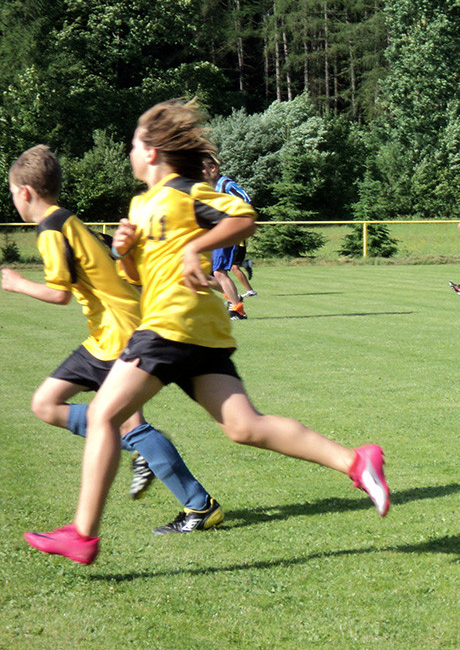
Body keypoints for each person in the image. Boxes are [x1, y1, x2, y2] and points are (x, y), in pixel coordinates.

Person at [24, 100, 389, 566]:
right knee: (244, 426)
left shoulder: (185, 192)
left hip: (169, 325)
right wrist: (126, 251)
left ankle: (82, 534)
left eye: (133, 144)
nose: (129, 153)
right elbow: (137, 277)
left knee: (102, 416)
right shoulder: (139, 205)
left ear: (151, 152)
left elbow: (243, 217)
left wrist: (195, 245)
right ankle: (355, 461)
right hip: (199, 331)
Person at [4, 145, 224, 535]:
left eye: (11, 193)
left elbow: (59, 293)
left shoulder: (51, 229)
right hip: (106, 333)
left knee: (127, 423)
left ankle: (196, 503)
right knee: (46, 404)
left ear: (25, 192)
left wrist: (17, 283)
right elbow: (109, 251)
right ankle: (146, 452)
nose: (13, 200)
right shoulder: (66, 220)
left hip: (117, 333)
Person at [202, 154, 256, 320]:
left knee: (219, 272)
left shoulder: (225, 184)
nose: (200, 172)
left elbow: (245, 199)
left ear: (213, 168)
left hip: (226, 233)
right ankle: (234, 298)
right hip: (214, 234)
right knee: (203, 274)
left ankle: (238, 310)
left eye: (203, 169)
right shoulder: (208, 187)